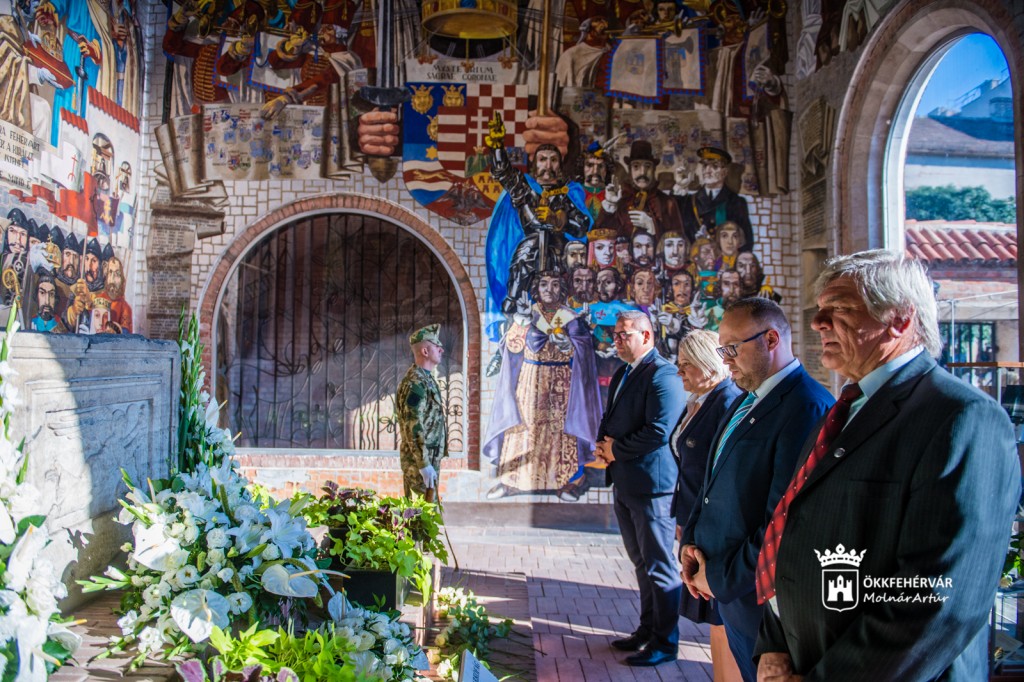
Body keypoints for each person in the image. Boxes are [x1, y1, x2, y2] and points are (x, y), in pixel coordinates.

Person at [754, 250, 1021, 681]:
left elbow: (935, 596)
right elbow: (792, 524)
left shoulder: (961, 417)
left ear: (898, 319)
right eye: (820, 308)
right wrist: (773, 644)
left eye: (840, 308)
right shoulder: (845, 409)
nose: (818, 322)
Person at [679, 298, 833, 681]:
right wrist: (692, 542)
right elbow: (712, 481)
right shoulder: (747, 398)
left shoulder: (806, 407)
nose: (726, 360)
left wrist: (720, 578)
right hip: (730, 590)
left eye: (732, 348)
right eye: (722, 350)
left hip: (763, 603)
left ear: (771, 339)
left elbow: (785, 522)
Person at [595, 310, 686, 667]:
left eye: (624, 335)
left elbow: (659, 430)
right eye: (615, 334)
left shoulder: (663, 374)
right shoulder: (624, 372)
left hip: (652, 486)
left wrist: (615, 449)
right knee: (641, 562)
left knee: (660, 566)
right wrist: (603, 445)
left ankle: (665, 643)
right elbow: (612, 417)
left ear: (646, 336)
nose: (616, 340)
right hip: (625, 481)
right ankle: (646, 630)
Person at [483, 271, 601, 499]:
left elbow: (584, 351)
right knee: (524, 429)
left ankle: (565, 483)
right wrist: (520, 323)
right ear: (536, 289)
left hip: (561, 383)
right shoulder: (529, 314)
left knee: (559, 432)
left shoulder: (570, 317)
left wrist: (567, 345)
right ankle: (511, 482)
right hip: (529, 382)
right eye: (544, 284)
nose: (549, 289)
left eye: (555, 285)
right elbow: (512, 347)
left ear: (561, 290)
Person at [670, 330, 744, 681]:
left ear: (709, 364)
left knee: (722, 619)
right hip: (694, 518)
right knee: (715, 619)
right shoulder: (701, 400)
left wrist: (697, 524)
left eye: (687, 364)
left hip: (712, 526)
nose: (679, 371)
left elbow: (718, 474)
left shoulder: (727, 401)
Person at [485, 112, 591, 334]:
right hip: (529, 256)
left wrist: (559, 220)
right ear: (534, 163)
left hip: (556, 253)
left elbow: (581, 226)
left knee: (559, 296)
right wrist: (497, 146)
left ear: (560, 165)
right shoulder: (525, 190)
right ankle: (511, 321)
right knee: (523, 262)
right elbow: (503, 173)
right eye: (542, 159)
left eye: (553, 160)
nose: (548, 165)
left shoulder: (565, 195)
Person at [395, 324, 449, 500]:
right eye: (436, 346)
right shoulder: (415, 383)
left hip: (428, 458)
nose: (441, 349)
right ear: (425, 351)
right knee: (420, 512)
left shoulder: (426, 379)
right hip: (418, 462)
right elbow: (413, 425)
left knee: (428, 511)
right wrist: (424, 464)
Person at [598, 140, 684, 240]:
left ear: (654, 170)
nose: (642, 172)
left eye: (647, 166)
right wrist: (610, 206)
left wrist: (653, 227)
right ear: (630, 170)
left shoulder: (668, 202)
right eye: (636, 166)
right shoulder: (619, 200)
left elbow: (679, 241)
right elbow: (600, 238)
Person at [678, 147, 753, 250]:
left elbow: (746, 242)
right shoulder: (689, 201)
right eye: (705, 166)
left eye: (715, 166)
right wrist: (679, 185)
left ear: (725, 172)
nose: (708, 171)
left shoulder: (736, 202)